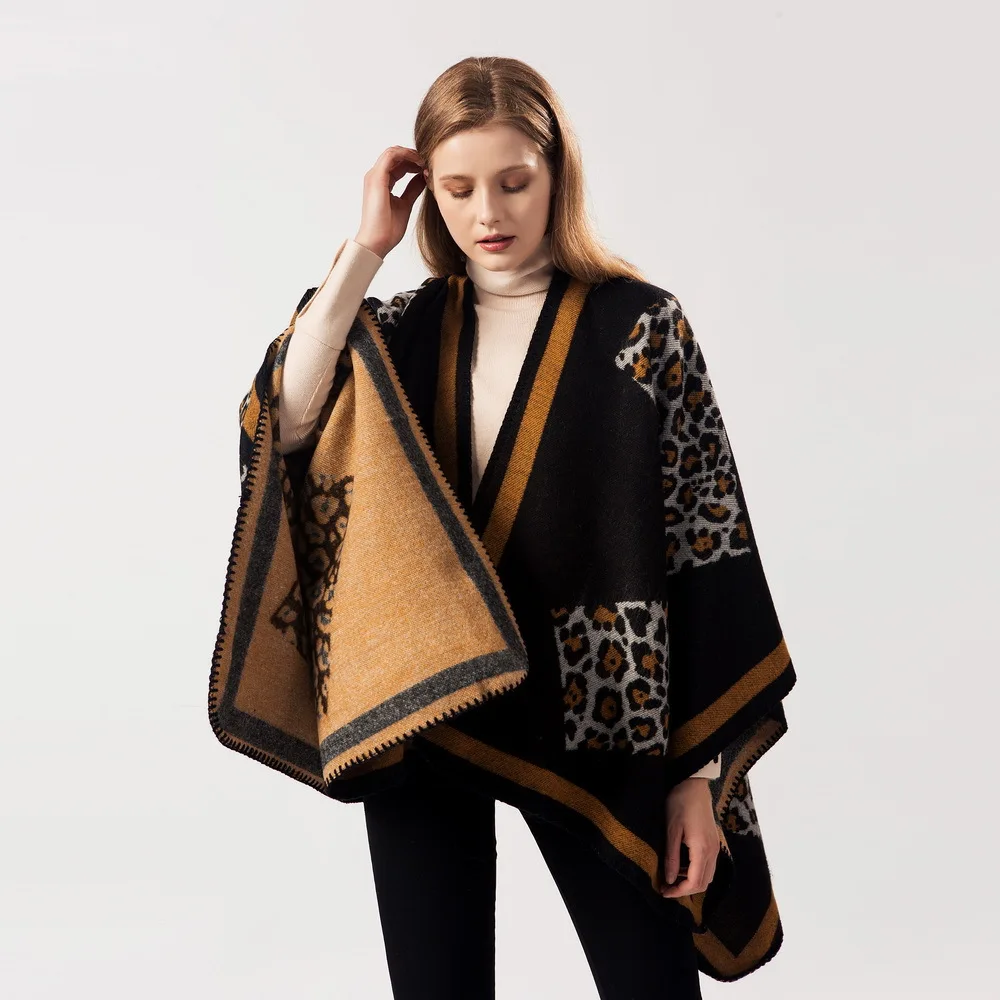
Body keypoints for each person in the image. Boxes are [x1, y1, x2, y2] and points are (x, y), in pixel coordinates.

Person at [211, 55, 795, 1000]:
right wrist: (365, 249)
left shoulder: (640, 327)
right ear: (427, 193)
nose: (489, 212)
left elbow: (705, 540)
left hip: (601, 715)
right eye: (458, 188)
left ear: (558, 175)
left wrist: (701, 773)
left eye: (515, 181)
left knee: (648, 982)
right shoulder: (398, 329)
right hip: (426, 701)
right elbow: (285, 418)